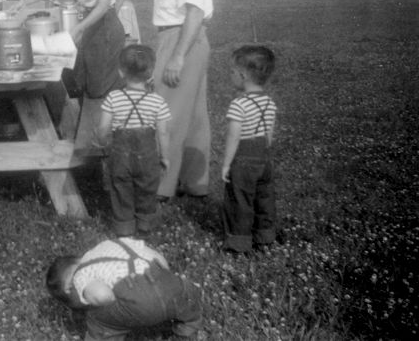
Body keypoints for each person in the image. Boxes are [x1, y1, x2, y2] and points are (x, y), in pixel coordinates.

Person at [13, 0, 125, 152]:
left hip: (104, 26)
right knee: (83, 82)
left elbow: (104, 5)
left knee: (99, 87)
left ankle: (104, 147)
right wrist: (22, 3)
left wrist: (78, 29)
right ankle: (91, 146)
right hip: (89, 24)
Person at [142, 0, 213, 200]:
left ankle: (160, 186)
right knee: (195, 116)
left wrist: (177, 56)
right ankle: (194, 182)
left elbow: (195, 12)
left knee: (165, 112)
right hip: (181, 37)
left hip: (182, 38)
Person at [46, 237, 202, 340]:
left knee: (97, 317)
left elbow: (102, 295)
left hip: (137, 301)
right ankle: (188, 328)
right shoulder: (110, 245)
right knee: (188, 293)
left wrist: (112, 300)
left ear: (68, 288)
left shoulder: (80, 277)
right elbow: (158, 258)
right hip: (167, 282)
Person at [97, 45, 171, 237]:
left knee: (121, 188)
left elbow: (104, 127)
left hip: (120, 155)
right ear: (151, 72)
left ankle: (124, 229)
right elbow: (163, 133)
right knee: (147, 189)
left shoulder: (113, 97)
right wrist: (165, 157)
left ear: (121, 72)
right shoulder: (158, 101)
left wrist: (102, 141)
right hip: (147, 157)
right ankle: (145, 226)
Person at [221, 45, 278, 253]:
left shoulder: (239, 104)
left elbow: (234, 136)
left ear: (243, 75)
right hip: (263, 157)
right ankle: (265, 237)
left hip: (243, 159)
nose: (231, 76)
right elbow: (269, 135)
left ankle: (238, 243)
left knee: (240, 200)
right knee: (264, 199)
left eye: (232, 72)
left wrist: (227, 164)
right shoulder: (269, 103)